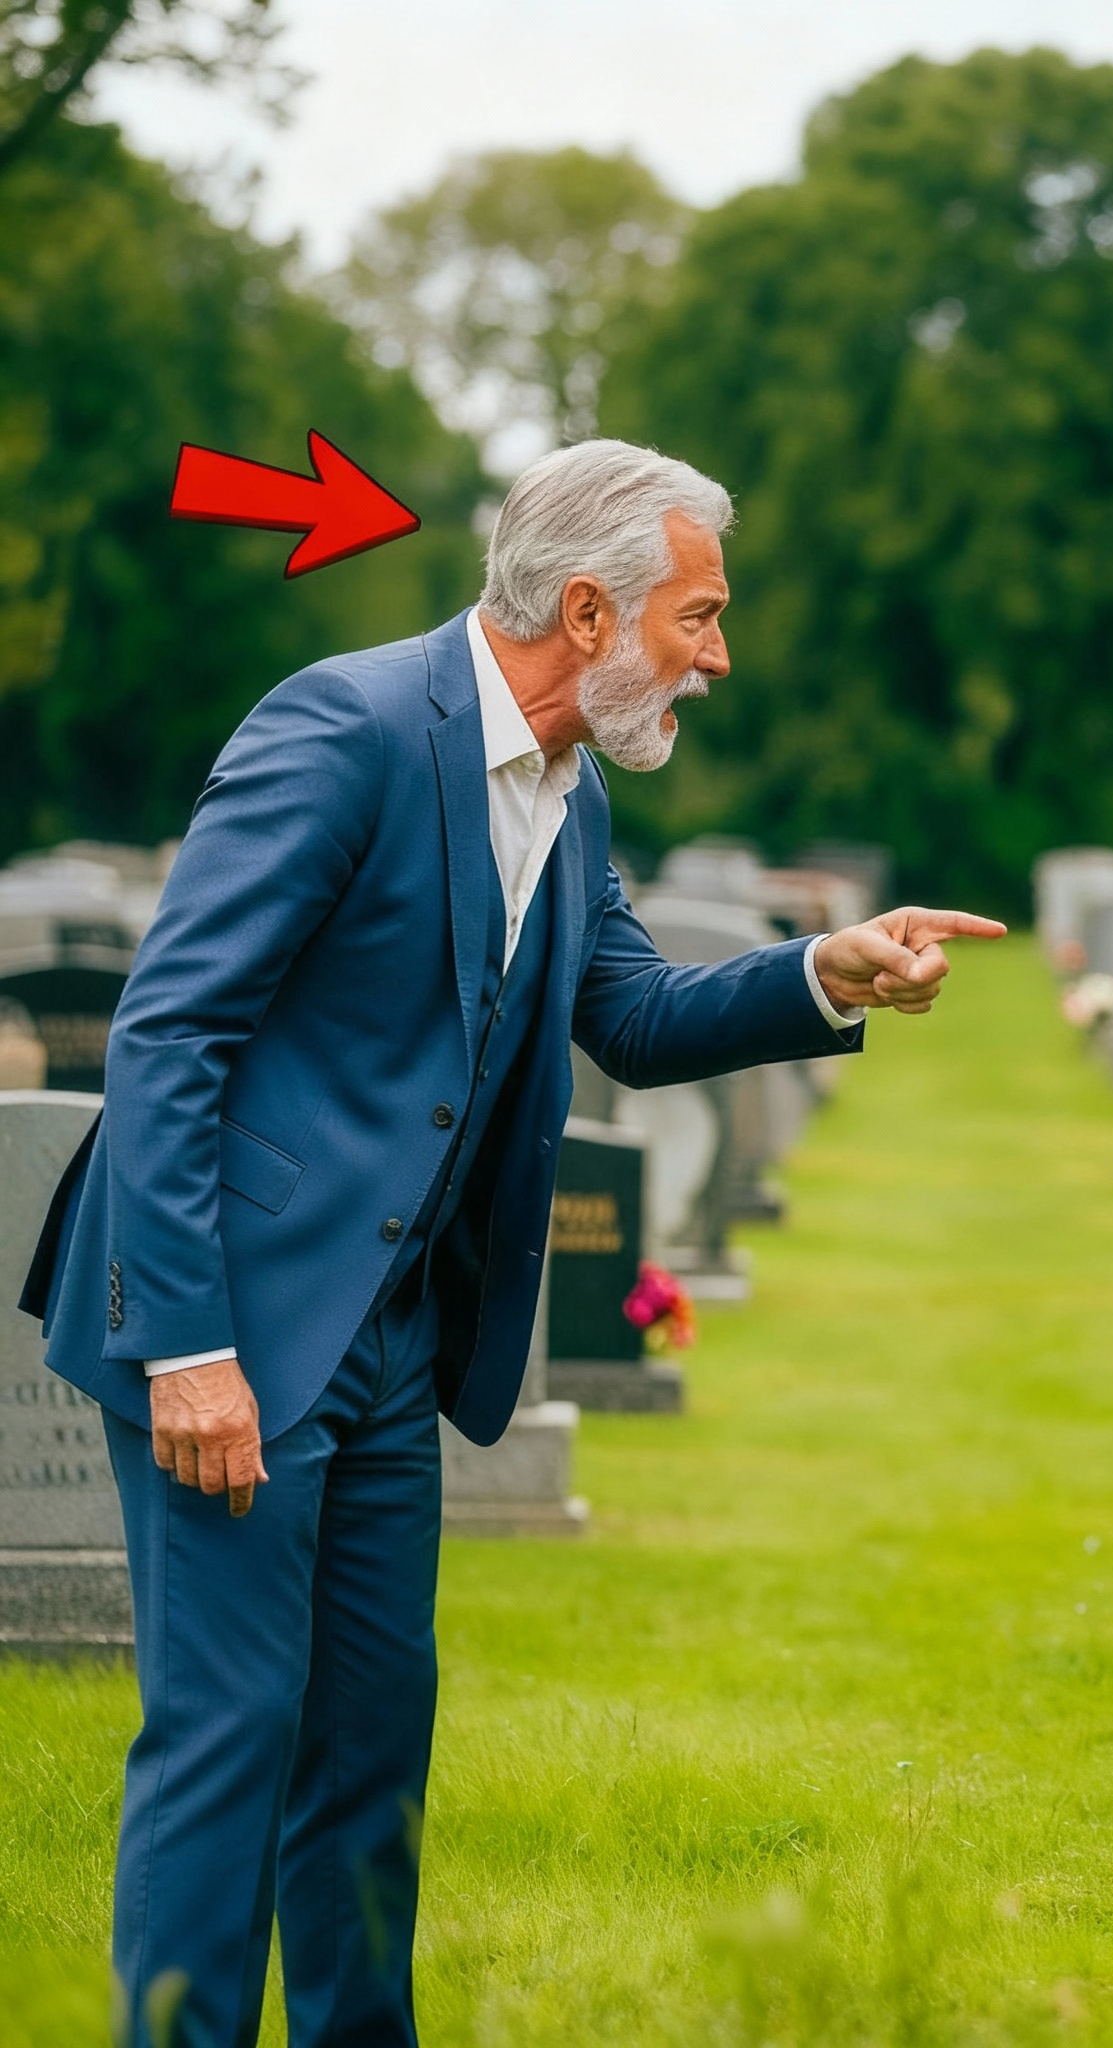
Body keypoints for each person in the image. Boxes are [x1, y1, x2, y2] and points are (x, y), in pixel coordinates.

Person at [17, 438, 1004, 2048]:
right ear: (592, 610)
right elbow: (170, 1033)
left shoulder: (574, 788)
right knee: (227, 1738)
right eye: (701, 615)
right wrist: (183, 1347)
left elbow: (628, 1010)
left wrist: (822, 970)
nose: (721, 653)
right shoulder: (341, 728)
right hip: (231, 1327)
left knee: (368, 1754)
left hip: (395, 1341)